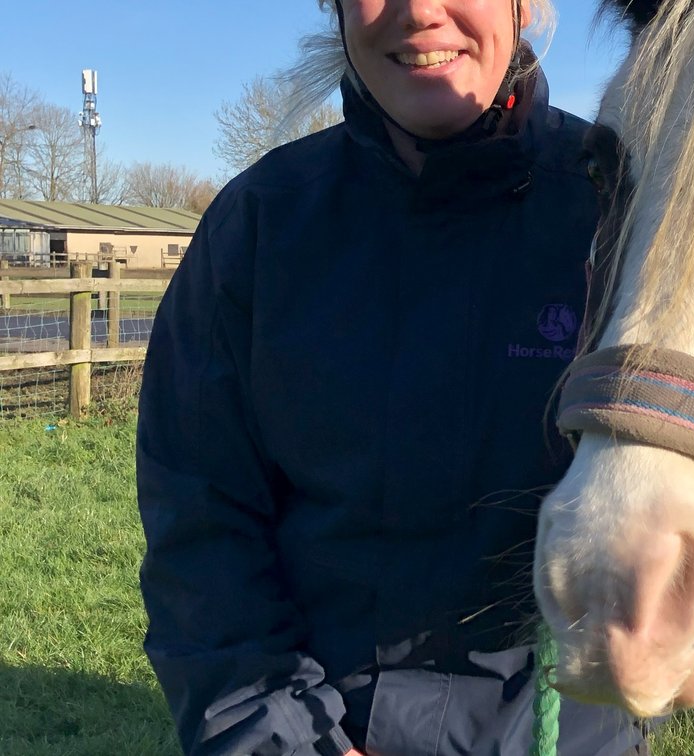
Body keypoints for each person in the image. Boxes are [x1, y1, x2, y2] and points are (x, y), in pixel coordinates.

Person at [136, 1, 644, 753]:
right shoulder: (259, 227)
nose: (419, 11)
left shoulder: (622, 210)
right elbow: (201, 525)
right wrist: (285, 736)